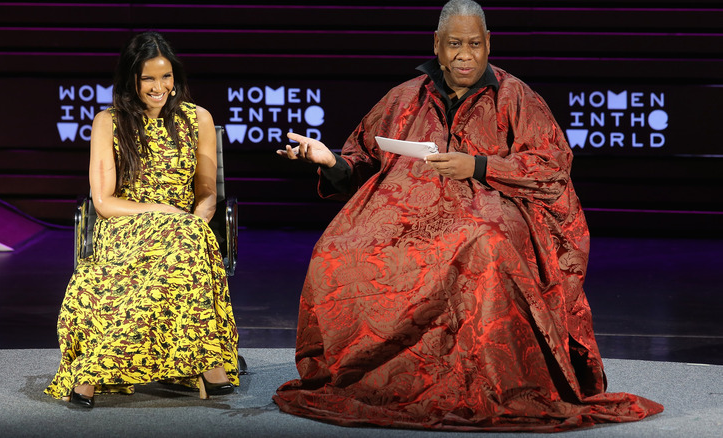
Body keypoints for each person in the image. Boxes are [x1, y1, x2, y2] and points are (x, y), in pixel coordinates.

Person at [273, 0, 663, 432]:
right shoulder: (404, 98)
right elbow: (363, 160)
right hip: (406, 216)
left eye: (474, 44)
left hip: (490, 211)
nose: (464, 55)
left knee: (483, 242)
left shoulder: (515, 96)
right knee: (334, 251)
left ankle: (487, 378)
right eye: (455, 44)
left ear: (489, 45)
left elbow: (551, 167)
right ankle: (372, 378)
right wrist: (332, 162)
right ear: (437, 46)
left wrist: (477, 165)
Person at [45, 31, 239, 408]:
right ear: (131, 79)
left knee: (188, 241)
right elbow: (103, 202)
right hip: (124, 226)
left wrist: (196, 221)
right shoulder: (109, 121)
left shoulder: (198, 118)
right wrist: (162, 211)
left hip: (183, 227)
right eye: (148, 78)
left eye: (165, 76)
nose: (159, 87)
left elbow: (207, 193)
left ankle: (91, 374)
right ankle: (209, 364)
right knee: (183, 244)